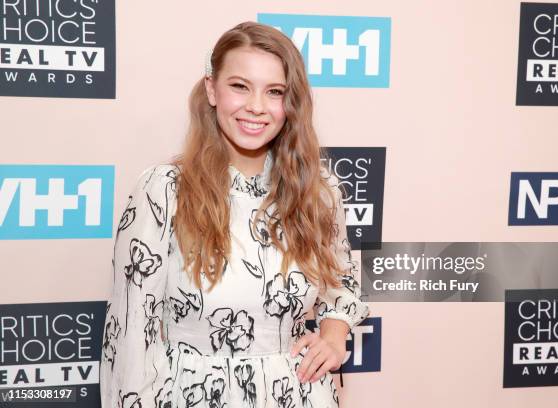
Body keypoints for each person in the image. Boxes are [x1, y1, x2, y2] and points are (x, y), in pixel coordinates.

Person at [99, 21, 370, 408]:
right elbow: (129, 335)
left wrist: (334, 333)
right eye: (239, 86)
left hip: (298, 394)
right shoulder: (164, 190)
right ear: (211, 89)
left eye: (274, 91)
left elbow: (341, 279)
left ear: (290, 102)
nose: (256, 106)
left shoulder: (317, 192)